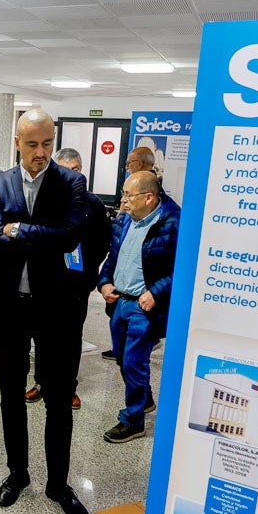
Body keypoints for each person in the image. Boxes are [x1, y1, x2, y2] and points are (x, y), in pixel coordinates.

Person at [0, 109, 92, 514]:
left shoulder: (71, 182)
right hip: (11, 307)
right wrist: (28, 234)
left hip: (56, 310)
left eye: (48, 143)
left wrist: (19, 230)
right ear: (17, 142)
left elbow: (69, 237)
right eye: (32, 144)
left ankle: (58, 484)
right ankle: (18, 473)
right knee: (10, 396)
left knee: (58, 399)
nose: (41, 152)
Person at [23, 149, 112, 409]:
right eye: (65, 170)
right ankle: (41, 382)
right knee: (41, 336)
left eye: (76, 169)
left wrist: (87, 273)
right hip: (45, 284)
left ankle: (67, 387)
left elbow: (102, 242)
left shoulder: (92, 204)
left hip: (76, 287)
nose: (71, 174)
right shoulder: (45, 201)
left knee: (71, 338)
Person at [97, 170, 179, 443]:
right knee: (122, 358)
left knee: (134, 362)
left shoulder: (173, 223)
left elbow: (182, 269)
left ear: (149, 198)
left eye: (128, 195)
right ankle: (144, 399)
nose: (123, 200)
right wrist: (105, 282)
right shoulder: (125, 220)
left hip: (145, 308)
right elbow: (113, 257)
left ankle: (133, 421)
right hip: (120, 302)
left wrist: (155, 292)